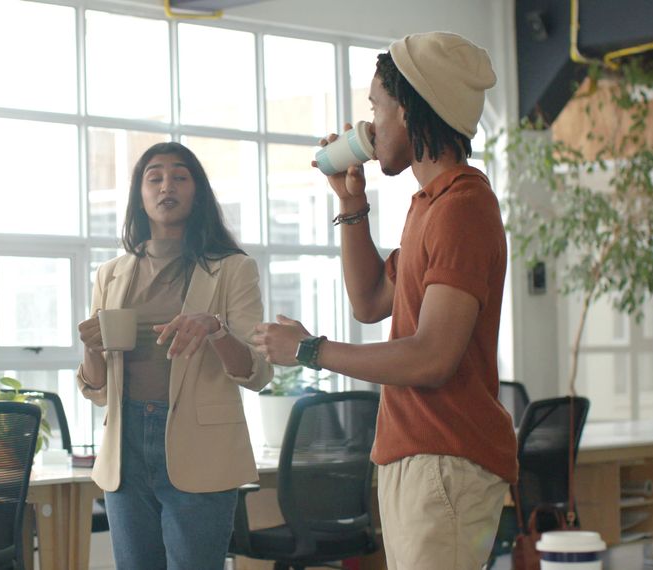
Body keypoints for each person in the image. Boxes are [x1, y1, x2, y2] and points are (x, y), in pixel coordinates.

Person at [251, 32, 518, 569]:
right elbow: (370, 301)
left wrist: (309, 351)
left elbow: (432, 357)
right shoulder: (430, 204)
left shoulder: (463, 207)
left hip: (445, 458)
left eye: (376, 105)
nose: (369, 125)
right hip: (416, 456)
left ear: (412, 108)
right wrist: (352, 205)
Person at [76, 142, 273, 570]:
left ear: (198, 191)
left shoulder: (233, 268)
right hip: (125, 444)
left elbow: (257, 374)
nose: (167, 186)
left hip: (199, 445)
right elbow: (96, 389)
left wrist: (215, 329)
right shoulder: (110, 274)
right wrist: (92, 348)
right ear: (140, 195)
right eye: (155, 177)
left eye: (180, 176)